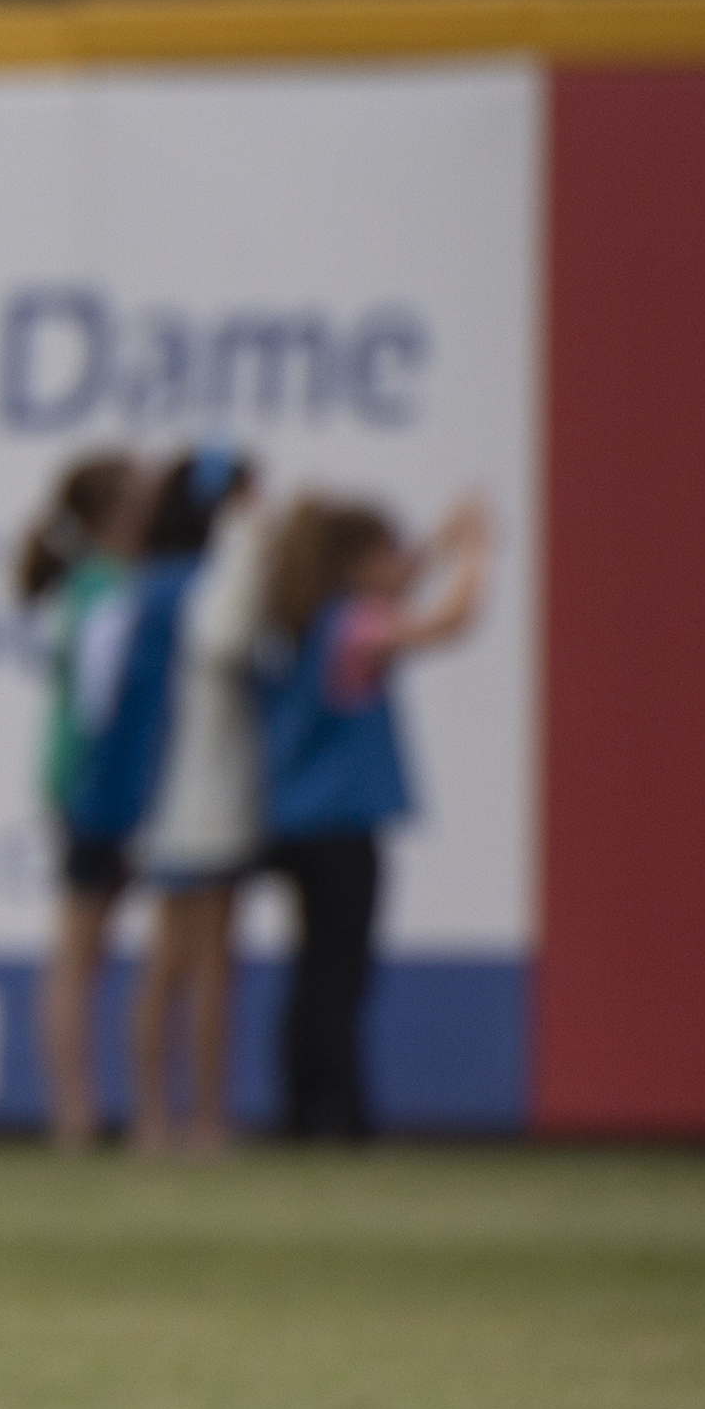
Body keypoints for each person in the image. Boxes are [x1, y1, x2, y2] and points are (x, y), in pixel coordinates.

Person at [258, 491, 492, 1145]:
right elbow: (449, 621)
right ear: (354, 563)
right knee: (339, 976)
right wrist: (477, 554)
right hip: (338, 824)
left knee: (314, 973)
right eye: (384, 554)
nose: (398, 567)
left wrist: (439, 542)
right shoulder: (353, 624)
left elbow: (398, 580)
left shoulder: (309, 616)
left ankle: (304, 1110)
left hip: (295, 818)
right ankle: (342, 1116)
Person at [123, 445, 267, 1156]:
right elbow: (226, 640)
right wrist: (245, 542)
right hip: (196, 790)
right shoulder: (198, 585)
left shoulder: (148, 583)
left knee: (176, 961)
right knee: (201, 962)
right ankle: (194, 1119)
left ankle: (159, 1116)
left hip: (167, 790)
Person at [14, 451, 151, 1153]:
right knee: (78, 951)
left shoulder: (98, 587)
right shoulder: (105, 591)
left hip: (87, 782)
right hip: (93, 785)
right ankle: (74, 1113)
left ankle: (81, 1109)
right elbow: (100, 700)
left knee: (85, 951)